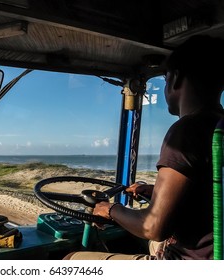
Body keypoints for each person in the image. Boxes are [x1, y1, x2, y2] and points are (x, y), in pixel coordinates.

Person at [65, 35, 224, 260]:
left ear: (176, 78)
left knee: (72, 260)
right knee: (150, 243)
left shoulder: (186, 131)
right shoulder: (219, 126)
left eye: (165, 79)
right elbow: (208, 194)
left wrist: (109, 209)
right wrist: (155, 191)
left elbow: (153, 226)